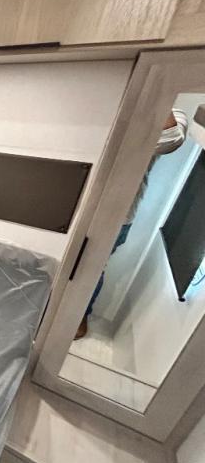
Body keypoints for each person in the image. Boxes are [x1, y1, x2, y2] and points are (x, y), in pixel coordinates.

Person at [76, 108, 189, 340]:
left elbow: (170, 140)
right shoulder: (104, 105)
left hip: (116, 215)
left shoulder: (172, 112)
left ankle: (78, 317)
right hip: (75, 203)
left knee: (91, 268)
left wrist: (157, 97)